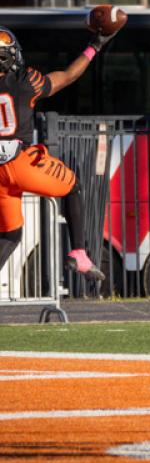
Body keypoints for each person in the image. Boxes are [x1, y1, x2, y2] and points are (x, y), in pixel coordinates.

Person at [0, 26, 118, 280]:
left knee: (11, 234)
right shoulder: (25, 82)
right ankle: (79, 253)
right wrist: (94, 45)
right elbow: (67, 76)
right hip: (20, 162)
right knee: (73, 185)